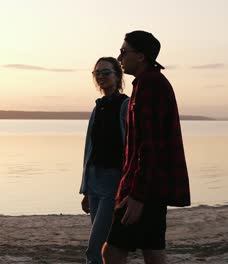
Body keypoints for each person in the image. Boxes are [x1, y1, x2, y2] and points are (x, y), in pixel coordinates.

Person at [102, 30, 190, 264]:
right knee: (152, 251)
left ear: (141, 56)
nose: (119, 58)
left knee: (111, 253)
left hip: (145, 189)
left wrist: (138, 195)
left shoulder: (150, 85)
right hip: (152, 186)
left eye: (124, 51)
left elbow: (150, 145)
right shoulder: (149, 83)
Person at [79, 57, 129, 264]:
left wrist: (126, 187)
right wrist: (85, 189)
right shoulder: (97, 107)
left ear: (118, 75)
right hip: (94, 180)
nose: (101, 76)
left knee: (96, 247)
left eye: (106, 72)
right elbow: (89, 150)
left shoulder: (125, 105)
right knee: (104, 244)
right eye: (97, 73)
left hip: (113, 182)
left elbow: (130, 147)